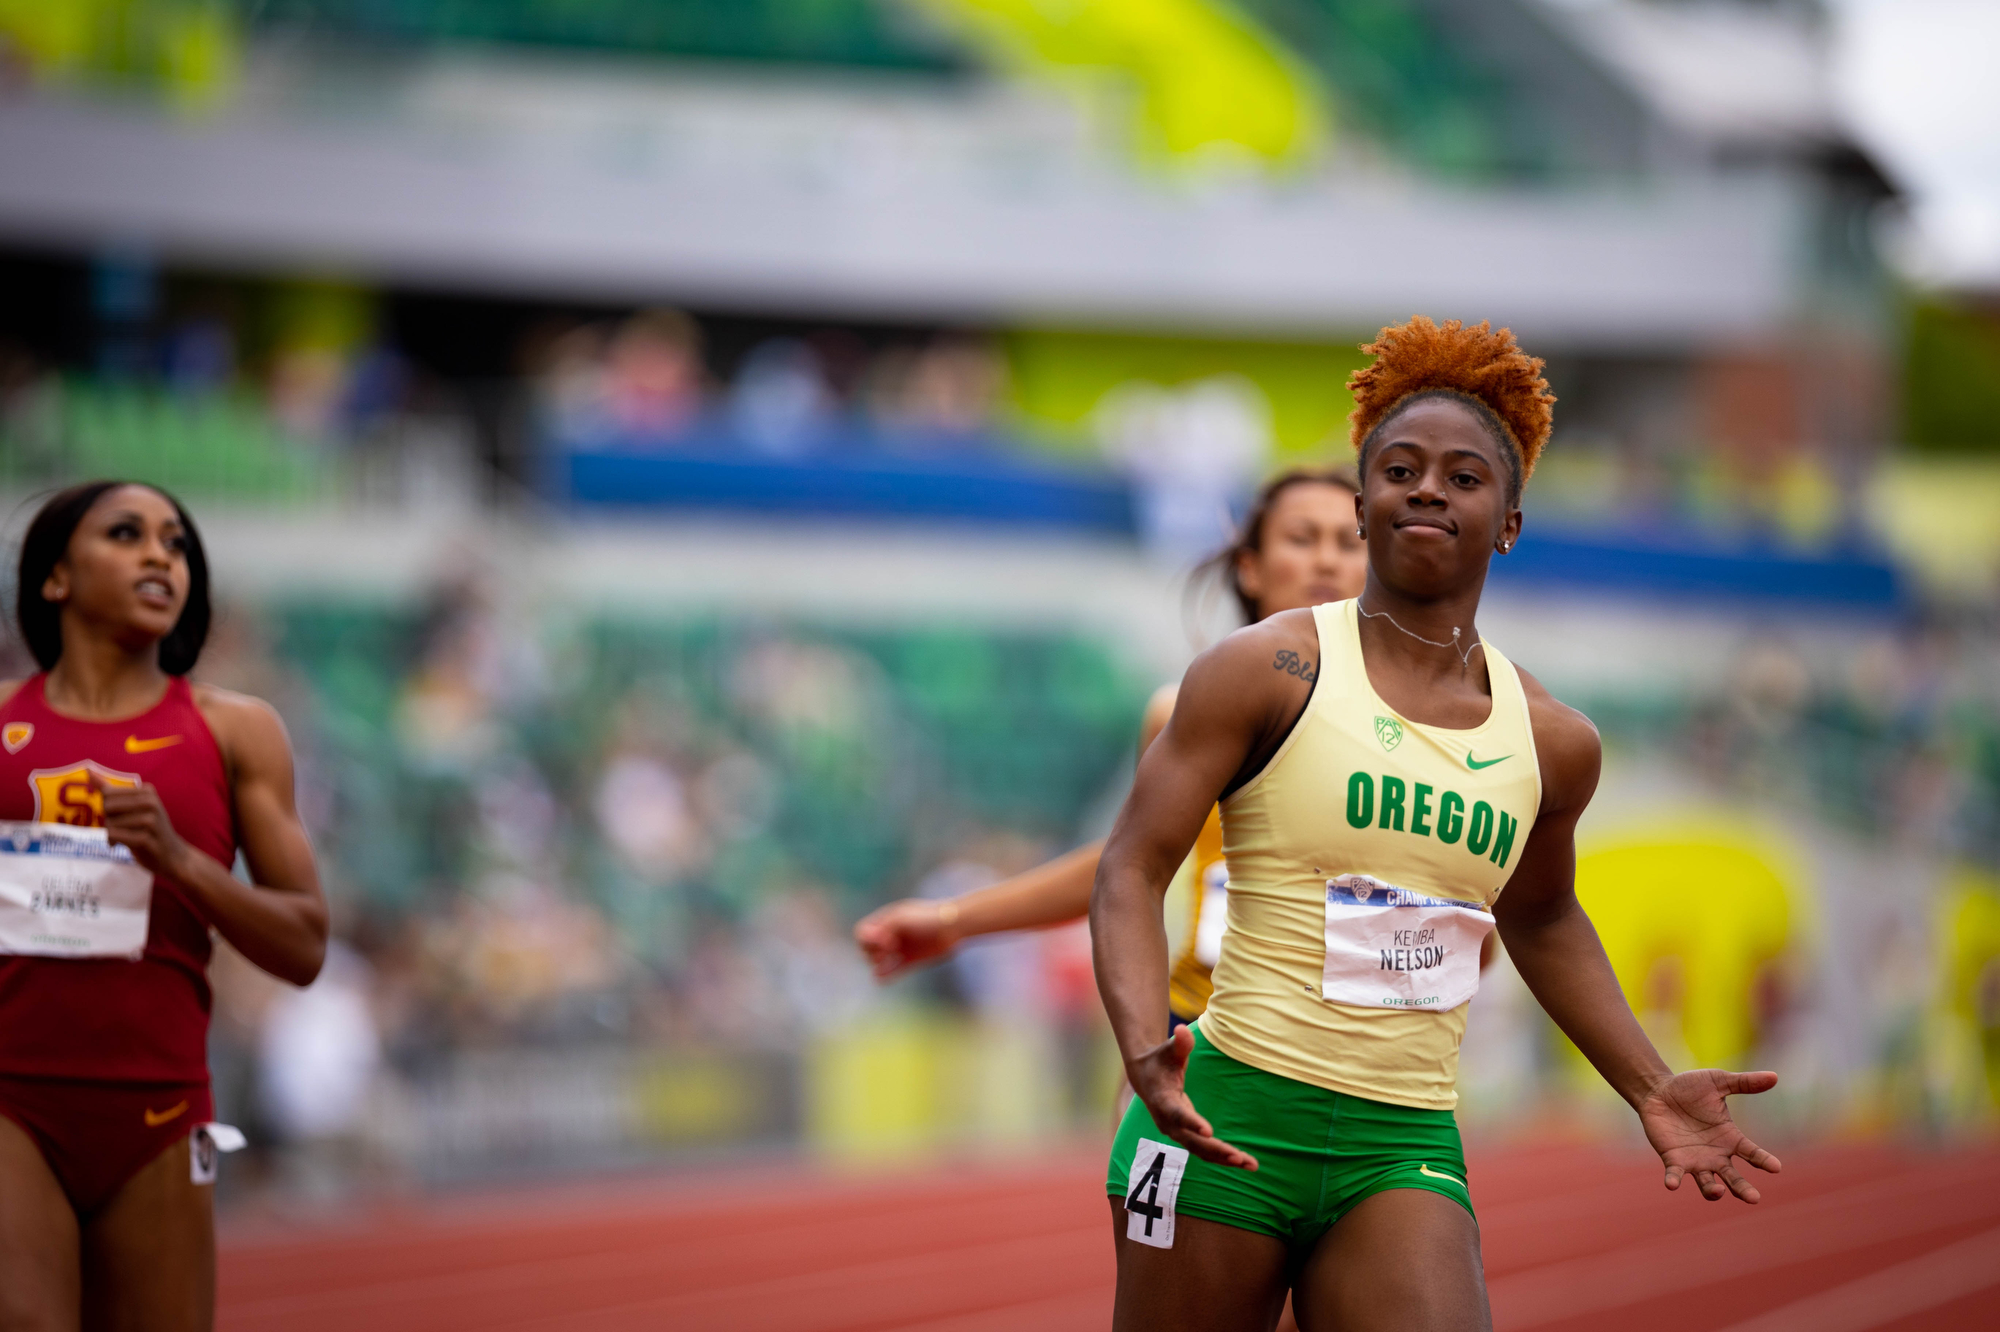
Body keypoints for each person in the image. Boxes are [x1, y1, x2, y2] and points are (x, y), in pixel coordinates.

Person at [1093, 317, 1781, 1332]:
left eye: (1462, 477)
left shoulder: (1550, 741)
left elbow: (1542, 918)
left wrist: (1647, 1084)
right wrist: (1143, 1036)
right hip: (1220, 1118)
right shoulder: (1265, 671)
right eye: (1399, 470)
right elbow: (1128, 866)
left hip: (1401, 1143)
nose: (1427, 489)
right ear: (1361, 504)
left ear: (1507, 520)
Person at [854, 465, 1368, 1015]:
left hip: (1350, 1045)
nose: (1327, 559)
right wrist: (953, 921)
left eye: (1349, 542)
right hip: (1205, 1033)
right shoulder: (1186, 711)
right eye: (1301, 538)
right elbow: (1125, 866)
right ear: (1249, 568)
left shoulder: (1424, 725)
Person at [0, 482, 328, 1331]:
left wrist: (180, 862)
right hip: (10, 1102)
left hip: (158, 1111)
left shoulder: (235, 732)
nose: (160, 556)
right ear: (55, 579)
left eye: (176, 544)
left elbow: (305, 945)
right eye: (126, 535)